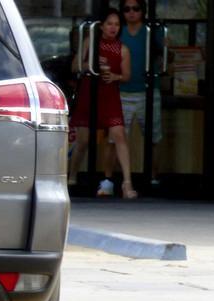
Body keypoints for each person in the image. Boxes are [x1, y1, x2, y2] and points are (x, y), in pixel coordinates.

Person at [68, 8, 138, 199]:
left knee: (119, 135)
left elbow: (127, 75)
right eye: (109, 24)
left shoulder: (123, 49)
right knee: (83, 140)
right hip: (89, 92)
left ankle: (127, 183)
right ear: (101, 26)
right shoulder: (90, 41)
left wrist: (115, 75)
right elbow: (75, 66)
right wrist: (91, 66)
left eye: (116, 24)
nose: (113, 28)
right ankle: (71, 178)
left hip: (110, 94)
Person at [99, 0, 164, 192]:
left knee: (154, 137)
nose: (131, 13)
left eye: (136, 9)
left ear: (143, 11)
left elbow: (167, 55)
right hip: (120, 91)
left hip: (148, 90)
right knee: (114, 139)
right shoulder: (117, 32)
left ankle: (153, 178)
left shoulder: (152, 32)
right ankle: (108, 180)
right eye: (127, 9)